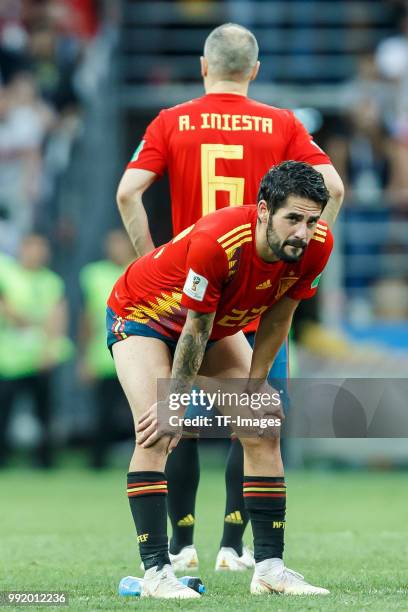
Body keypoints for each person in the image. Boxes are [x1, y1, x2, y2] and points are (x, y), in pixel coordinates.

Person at [116, 22, 344, 571]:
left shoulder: (173, 121)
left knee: (211, 417)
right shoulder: (282, 123)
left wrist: (151, 253)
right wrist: (296, 253)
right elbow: (332, 187)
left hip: (195, 282)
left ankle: (185, 545)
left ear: (203, 66)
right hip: (232, 288)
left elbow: (128, 192)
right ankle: (227, 547)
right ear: (255, 71)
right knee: (219, 415)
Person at [108, 161, 333, 598]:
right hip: (143, 317)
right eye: (293, 219)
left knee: (263, 423)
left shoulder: (316, 245)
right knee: (159, 429)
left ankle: (269, 568)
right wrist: (174, 402)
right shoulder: (220, 240)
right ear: (264, 210)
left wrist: (255, 385)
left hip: (211, 326)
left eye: (311, 220)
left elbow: (280, 316)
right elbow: (193, 329)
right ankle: (156, 574)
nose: (303, 232)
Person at [0, 234, 72, 467]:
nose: (37, 254)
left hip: (41, 358)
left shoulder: (51, 281)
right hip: (9, 360)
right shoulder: (6, 272)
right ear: (22, 249)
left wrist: (50, 349)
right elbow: (6, 309)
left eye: (42, 249)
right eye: (33, 249)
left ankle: (45, 461)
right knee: (4, 412)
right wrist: (33, 321)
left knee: (45, 413)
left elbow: (58, 316)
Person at [79, 230, 134, 468]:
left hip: (138, 357)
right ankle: (97, 462)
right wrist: (84, 358)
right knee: (103, 414)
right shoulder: (93, 274)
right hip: (103, 357)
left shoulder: (143, 267)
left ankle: (151, 462)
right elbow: (87, 318)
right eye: (112, 244)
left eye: (120, 244)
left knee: (145, 413)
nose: (116, 249)